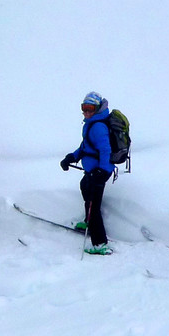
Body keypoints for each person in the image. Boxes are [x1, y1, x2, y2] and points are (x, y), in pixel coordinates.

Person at [60, 91, 114, 255]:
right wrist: (71, 157)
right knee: (85, 187)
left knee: (94, 205)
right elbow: (86, 146)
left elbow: (105, 150)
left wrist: (103, 171)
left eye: (90, 108)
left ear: (97, 109)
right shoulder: (91, 124)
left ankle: (100, 243)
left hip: (99, 172)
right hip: (92, 171)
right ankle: (89, 221)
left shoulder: (98, 126)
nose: (86, 112)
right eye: (84, 108)